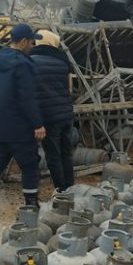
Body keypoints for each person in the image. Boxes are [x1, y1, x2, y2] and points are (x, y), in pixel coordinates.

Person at [0, 23, 46, 220]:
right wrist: (37, 124)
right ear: (23, 41)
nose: (32, 45)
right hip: (20, 125)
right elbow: (27, 98)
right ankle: (31, 207)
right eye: (31, 41)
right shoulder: (24, 64)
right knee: (29, 165)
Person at [30, 30, 75, 193]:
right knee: (66, 154)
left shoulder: (31, 62)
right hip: (66, 114)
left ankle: (61, 191)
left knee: (53, 156)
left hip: (48, 116)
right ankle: (70, 188)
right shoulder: (62, 63)